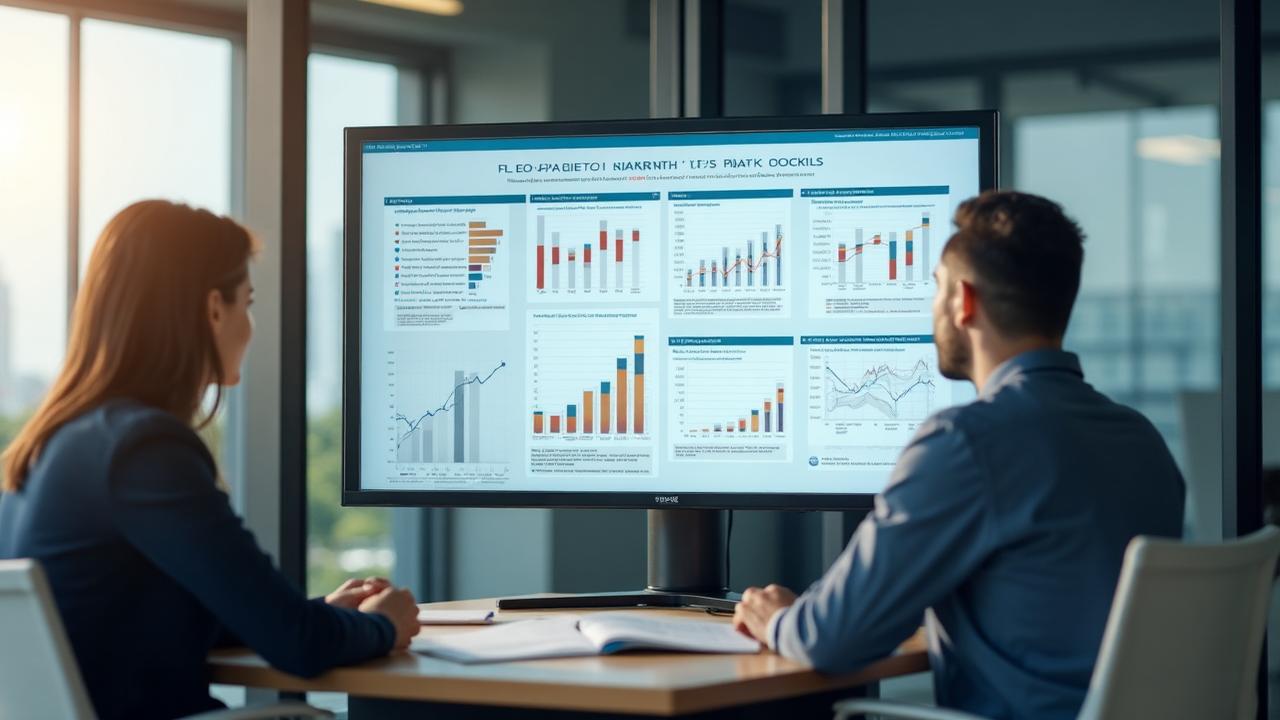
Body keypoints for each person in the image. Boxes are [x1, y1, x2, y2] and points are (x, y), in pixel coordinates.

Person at [733, 191, 1185, 720]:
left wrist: (782, 619)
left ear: (963, 302)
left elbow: (833, 638)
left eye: (936, 289)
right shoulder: (1143, 441)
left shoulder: (967, 443)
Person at [0, 201, 420, 720]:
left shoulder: (56, 443)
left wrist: (320, 615)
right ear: (213, 309)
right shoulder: (143, 450)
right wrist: (386, 624)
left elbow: (176, 617)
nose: (250, 325)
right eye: (248, 302)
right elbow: (300, 647)